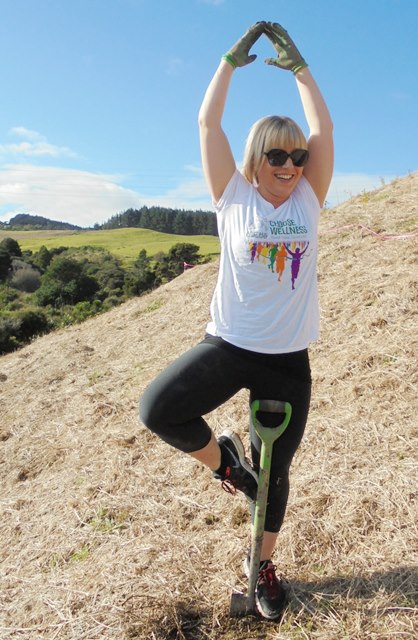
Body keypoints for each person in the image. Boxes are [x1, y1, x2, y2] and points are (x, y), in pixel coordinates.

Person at [140, 20, 333, 620]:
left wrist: (301, 69)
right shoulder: (233, 196)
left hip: (287, 360)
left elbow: (324, 130)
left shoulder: (308, 198)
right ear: (256, 158)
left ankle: (262, 569)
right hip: (229, 345)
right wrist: (228, 62)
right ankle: (227, 464)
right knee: (159, 408)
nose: (290, 164)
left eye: (297, 156)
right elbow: (208, 123)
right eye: (276, 155)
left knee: (276, 473)